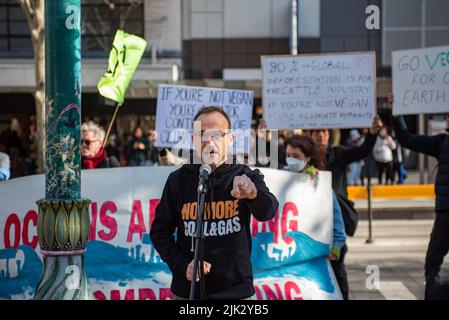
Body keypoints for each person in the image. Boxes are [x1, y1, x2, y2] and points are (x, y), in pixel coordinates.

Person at [150, 106, 279, 300]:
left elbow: (268, 211)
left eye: (217, 134)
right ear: (193, 139)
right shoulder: (178, 180)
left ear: (231, 139)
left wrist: (252, 194)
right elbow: (160, 232)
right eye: (201, 134)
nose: (209, 141)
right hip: (188, 292)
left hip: (236, 292)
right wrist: (182, 264)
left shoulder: (244, 175)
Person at [310, 115, 383, 300]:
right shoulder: (303, 158)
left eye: (324, 131)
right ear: (309, 135)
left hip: (335, 223)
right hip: (310, 223)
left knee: (338, 268)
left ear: (329, 134)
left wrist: (373, 133)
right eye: (316, 131)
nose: (320, 135)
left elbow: (362, 151)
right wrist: (265, 139)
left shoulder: (338, 153)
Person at [391, 104, 449, 299]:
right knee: (433, 264)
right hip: (445, 215)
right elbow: (407, 139)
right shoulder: (442, 143)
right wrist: (396, 113)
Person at [285, 135, 347, 263]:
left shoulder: (319, 182)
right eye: (288, 155)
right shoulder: (280, 178)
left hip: (315, 251)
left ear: (307, 158)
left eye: (296, 156)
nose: (290, 160)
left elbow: (336, 219)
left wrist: (336, 247)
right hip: (289, 250)